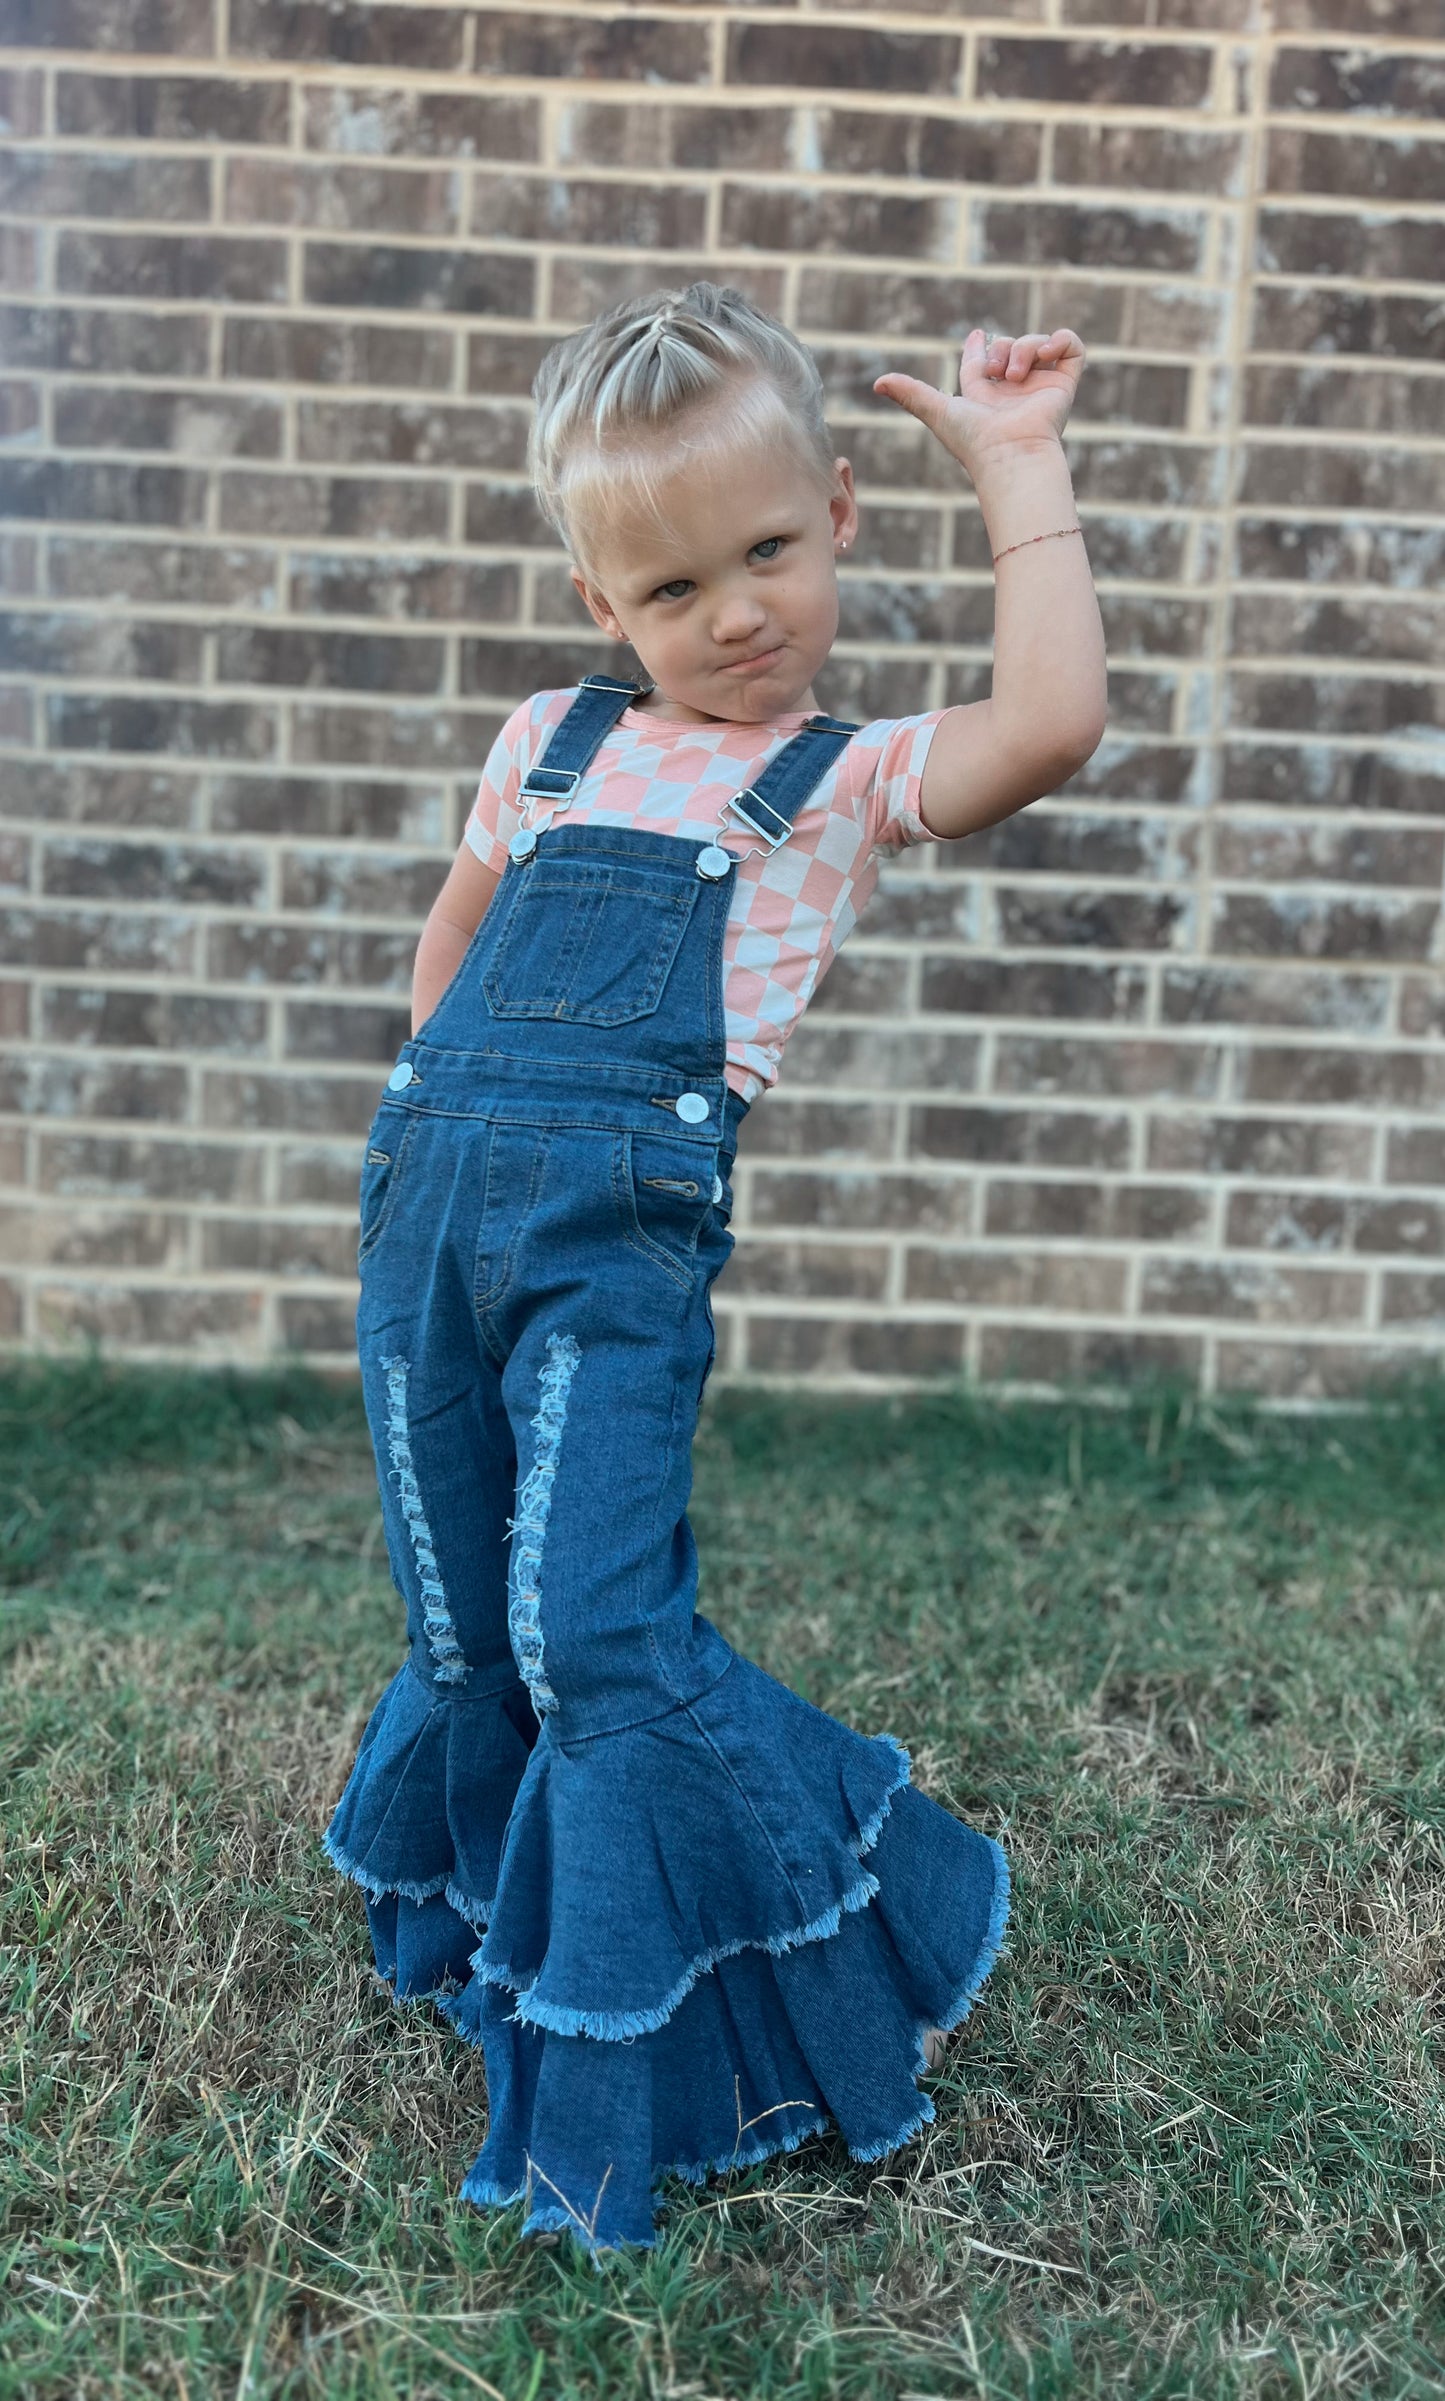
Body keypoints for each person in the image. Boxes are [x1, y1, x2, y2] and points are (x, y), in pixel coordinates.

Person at [324, 281, 1107, 2253]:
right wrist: (416, 1117)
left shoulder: (832, 786)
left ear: (840, 512)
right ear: (607, 610)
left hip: (617, 1255)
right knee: (463, 1627)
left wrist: (1020, 469)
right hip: (429, 1220)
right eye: (674, 587)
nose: (735, 610)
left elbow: (1050, 724)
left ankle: (779, 1946)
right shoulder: (547, 737)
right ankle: (494, 1929)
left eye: (769, 550)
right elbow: (460, 935)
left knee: (596, 1634)